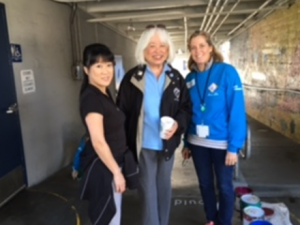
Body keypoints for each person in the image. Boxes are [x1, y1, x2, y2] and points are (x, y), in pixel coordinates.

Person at [117, 24, 192, 225]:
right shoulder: (132, 78)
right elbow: (121, 112)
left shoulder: (176, 78)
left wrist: (178, 124)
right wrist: (122, 147)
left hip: (167, 145)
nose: (158, 51)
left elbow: (186, 108)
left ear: (168, 50)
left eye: (163, 46)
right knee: (148, 191)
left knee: (164, 189)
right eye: (152, 46)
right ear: (143, 49)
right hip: (143, 146)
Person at [182, 30, 247, 225]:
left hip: (222, 143)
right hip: (197, 143)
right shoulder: (189, 79)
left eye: (202, 46)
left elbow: (236, 110)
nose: (198, 51)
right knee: (205, 184)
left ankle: (224, 222)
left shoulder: (227, 72)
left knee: (225, 187)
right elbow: (187, 113)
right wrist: (186, 142)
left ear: (210, 48)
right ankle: (211, 219)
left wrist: (234, 147)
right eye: (193, 47)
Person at [79, 43, 139, 225]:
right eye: (98, 66)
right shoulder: (92, 98)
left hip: (112, 165)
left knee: (113, 214)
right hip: (105, 169)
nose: (105, 71)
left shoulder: (103, 93)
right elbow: (98, 141)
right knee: (109, 217)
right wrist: (116, 173)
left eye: (109, 65)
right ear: (86, 70)